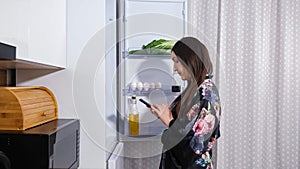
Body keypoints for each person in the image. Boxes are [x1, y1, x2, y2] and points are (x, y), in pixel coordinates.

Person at [150, 37, 221, 169]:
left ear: (190, 60)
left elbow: (193, 149)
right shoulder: (193, 88)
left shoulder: (207, 94)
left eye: (176, 61)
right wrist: (165, 114)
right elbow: (183, 126)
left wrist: (169, 121)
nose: (174, 69)